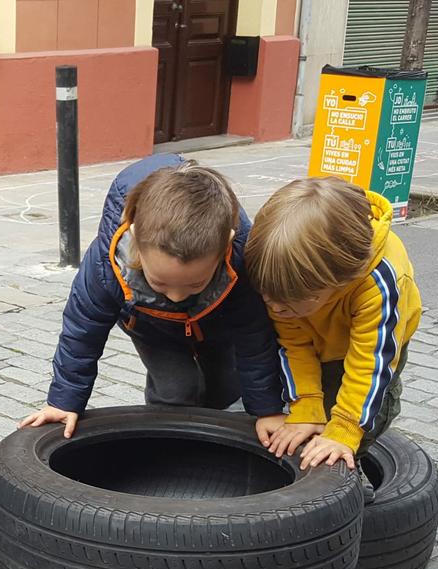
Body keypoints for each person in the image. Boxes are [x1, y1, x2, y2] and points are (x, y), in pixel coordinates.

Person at [20, 157, 284, 438]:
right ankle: (167, 450)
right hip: (149, 324)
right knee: (175, 389)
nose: (176, 295)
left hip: (219, 321)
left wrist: (268, 410)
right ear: (136, 239)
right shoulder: (106, 266)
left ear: (226, 246)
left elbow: (255, 338)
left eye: (195, 284)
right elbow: (82, 332)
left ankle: (216, 455)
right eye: (159, 283)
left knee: (227, 385)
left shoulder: (241, 259)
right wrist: (64, 401)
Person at [245, 176, 422, 489]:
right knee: (315, 408)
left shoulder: (378, 285)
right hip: (319, 331)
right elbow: (294, 344)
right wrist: (306, 408)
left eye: (287, 303)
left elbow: (369, 365)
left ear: (338, 282)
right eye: (269, 298)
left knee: (363, 414)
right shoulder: (283, 291)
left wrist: (342, 432)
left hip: (374, 346)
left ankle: (348, 475)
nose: (275, 308)